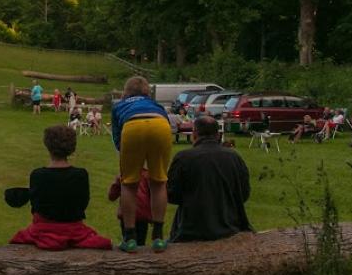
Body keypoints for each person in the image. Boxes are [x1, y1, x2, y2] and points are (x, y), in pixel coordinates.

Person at [6, 125, 112, 250]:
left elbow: (36, 206)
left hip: (43, 229)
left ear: (47, 145)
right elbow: (83, 203)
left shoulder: (38, 175)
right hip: (74, 228)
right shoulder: (81, 175)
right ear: (72, 147)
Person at [110, 76, 173, 252]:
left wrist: (126, 157)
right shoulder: (156, 105)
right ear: (147, 92)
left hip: (132, 126)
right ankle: (158, 238)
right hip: (160, 125)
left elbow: (117, 138)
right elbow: (167, 123)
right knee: (159, 182)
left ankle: (130, 239)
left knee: (129, 184)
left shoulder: (119, 106)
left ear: (126, 92)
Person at [166, 116, 252, 242]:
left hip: (190, 231)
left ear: (194, 134)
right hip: (230, 228)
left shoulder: (183, 158)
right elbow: (244, 194)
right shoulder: (234, 158)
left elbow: (172, 195)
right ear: (218, 135)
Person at [108, 169, 152, 247]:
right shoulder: (147, 175)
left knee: (128, 239)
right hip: (143, 216)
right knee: (141, 243)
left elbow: (112, 196)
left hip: (126, 215)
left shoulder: (123, 174)